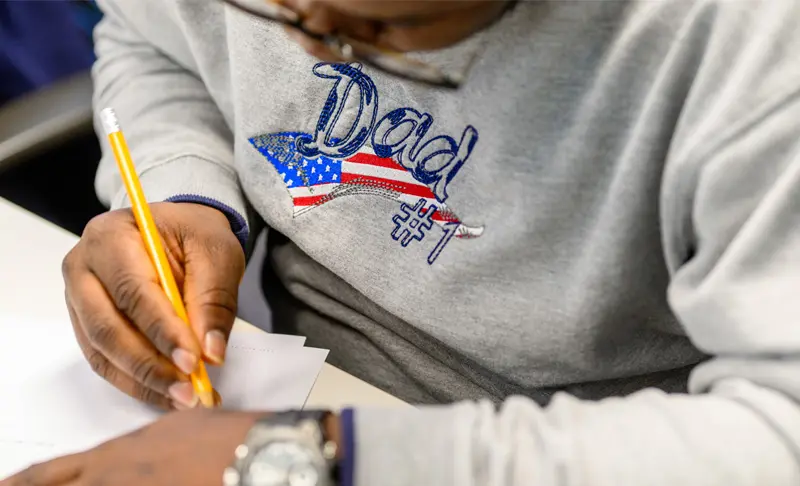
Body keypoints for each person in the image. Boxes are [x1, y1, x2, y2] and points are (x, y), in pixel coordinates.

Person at [4, 0, 799, 484]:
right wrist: (185, 188)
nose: (311, 51)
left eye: (387, 28)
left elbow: (779, 436)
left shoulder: (755, 53)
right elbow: (152, 40)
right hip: (291, 387)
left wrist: (328, 462)